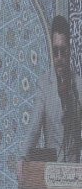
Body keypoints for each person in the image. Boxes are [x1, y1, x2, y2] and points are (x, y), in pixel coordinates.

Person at [22, 15, 82, 166]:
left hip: (74, 171)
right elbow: (34, 127)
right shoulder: (44, 85)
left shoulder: (78, 84)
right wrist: (23, 158)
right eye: (55, 52)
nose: (59, 58)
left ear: (69, 50)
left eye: (63, 51)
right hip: (51, 171)